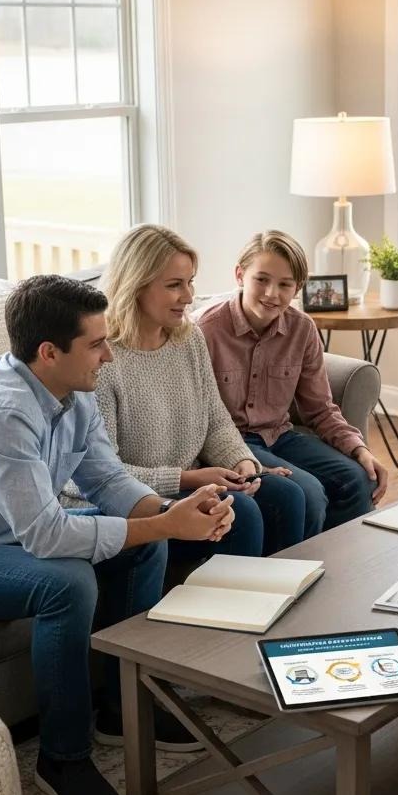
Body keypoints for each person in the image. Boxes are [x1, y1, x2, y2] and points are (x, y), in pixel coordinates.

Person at [0, 276, 235, 795]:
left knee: (143, 549)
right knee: (67, 581)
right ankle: (62, 757)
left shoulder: (71, 395)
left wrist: (175, 514)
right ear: (49, 352)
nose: (110, 356)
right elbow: (47, 537)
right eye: (96, 344)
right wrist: (167, 526)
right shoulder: (1, 414)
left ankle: (122, 709)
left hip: (7, 535)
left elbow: (108, 483)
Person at [97, 224, 306, 560]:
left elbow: (216, 421)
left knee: (287, 496)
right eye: (175, 285)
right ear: (136, 284)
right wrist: (190, 478)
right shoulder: (102, 358)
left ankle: (282, 600)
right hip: (140, 494)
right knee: (244, 514)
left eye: (190, 282)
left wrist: (243, 463)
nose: (189, 296)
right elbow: (100, 472)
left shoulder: (188, 338)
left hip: (193, 480)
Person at [198, 230, 388, 536]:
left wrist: (360, 449)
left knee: (359, 477)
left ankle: (340, 567)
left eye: (285, 284)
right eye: (262, 279)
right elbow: (199, 422)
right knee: (309, 493)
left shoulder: (302, 329)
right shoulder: (205, 331)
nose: (272, 293)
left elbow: (321, 409)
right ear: (239, 275)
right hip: (231, 442)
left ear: (298, 288)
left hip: (280, 435)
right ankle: (295, 575)